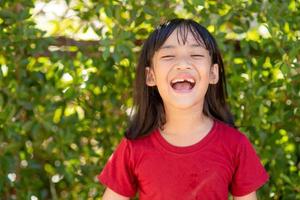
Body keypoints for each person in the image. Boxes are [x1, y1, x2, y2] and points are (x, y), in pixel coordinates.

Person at [98, 18, 269, 200]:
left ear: (213, 73)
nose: (183, 64)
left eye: (195, 55)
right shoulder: (133, 147)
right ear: (150, 76)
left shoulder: (236, 145)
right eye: (168, 56)